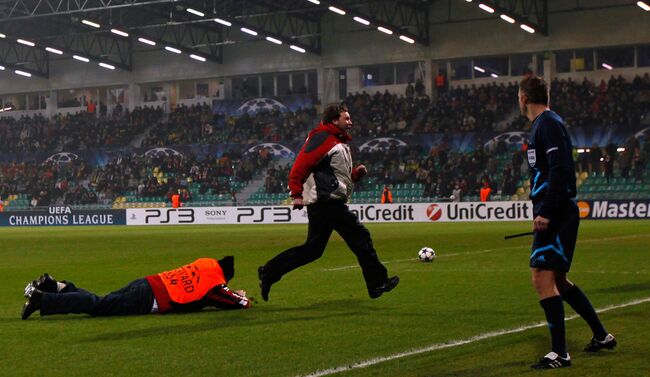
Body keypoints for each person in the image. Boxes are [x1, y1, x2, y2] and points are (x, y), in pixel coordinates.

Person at [519, 76, 616, 369]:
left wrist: (546, 211)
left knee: (541, 276)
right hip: (557, 210)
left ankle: (560, 353)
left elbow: (560, 169)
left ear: (524, 98)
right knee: (557, 279)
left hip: (557, 212)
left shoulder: (547, 124)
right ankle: (601, 336)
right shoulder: (543, 124)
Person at [257, 104, 399, 301]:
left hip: (325, 202)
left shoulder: (333, 141)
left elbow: (332, 175)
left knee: (313, 250)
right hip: (327, 203)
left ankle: (269, 272)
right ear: (334, 120)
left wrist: (354, 176)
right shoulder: (322, 138)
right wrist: (296, 193)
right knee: (360, 237)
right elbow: (300, 166)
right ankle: (377, 282)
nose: (351, 122)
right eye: (346, 118)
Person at [21, 256, 251, 320]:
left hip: (145, 282)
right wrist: (241, 296)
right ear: (225, 278)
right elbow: (238, 302)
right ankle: (43, 299)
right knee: (97, 306)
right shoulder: (216, 284)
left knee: (100, 302)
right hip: (149, 299)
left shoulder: (205, 263)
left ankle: (57, 286)